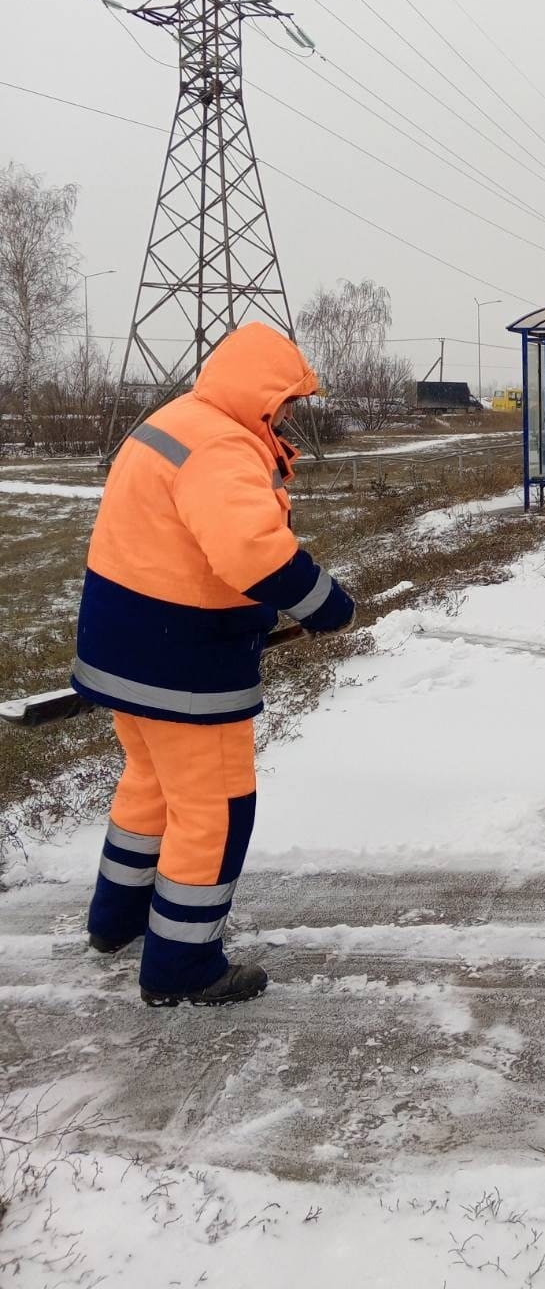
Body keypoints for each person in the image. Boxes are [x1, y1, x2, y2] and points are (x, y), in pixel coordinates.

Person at [74, 323, 356, 1007]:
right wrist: (325, 605)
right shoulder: (223, 446)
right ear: (259, 394)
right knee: (214, 810)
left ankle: (117, 921)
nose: (287, 415)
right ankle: (182, 966)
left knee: (150, 786)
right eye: (284, 402)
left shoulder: (174, 421)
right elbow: (253, 552)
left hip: (124, 650)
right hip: (184, 665)